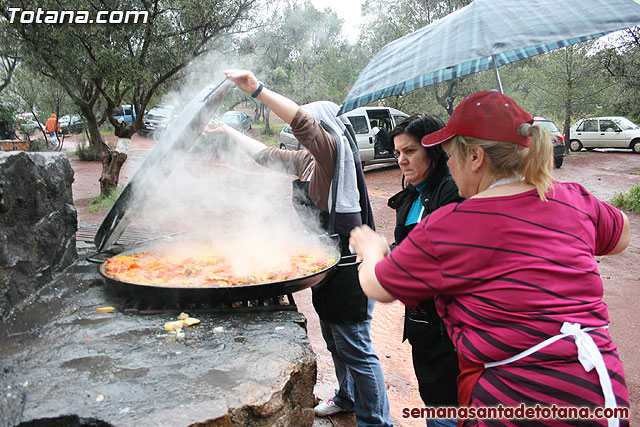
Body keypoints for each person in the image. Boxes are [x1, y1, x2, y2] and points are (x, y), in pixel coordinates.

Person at [349, 91, 631, 426]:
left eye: (451, 154)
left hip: (518, 401)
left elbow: (379, 286)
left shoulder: (453, 224)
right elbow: (621, 236)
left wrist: (370, 249)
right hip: (599, 390)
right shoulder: (572, 198)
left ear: (475, 157)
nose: (449, 164)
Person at [213, 70, 393, 427]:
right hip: (327, 263)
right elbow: (265, 155)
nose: (304, 136)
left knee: (355, 345)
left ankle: (376, 421)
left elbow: (303, 124)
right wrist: (227, 130)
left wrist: (257, 90)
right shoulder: (307, 160)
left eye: (313, 128)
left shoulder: (330, 153)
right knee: (334, 338)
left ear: (328, 130)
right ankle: (347, 396)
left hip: (351, 266)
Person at [388, 114, 462, 427]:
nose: (402, 161)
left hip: (451, 324)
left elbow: (435, 255)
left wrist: (388, 259)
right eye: (397, 153)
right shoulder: (412, 195)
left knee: (451, 405)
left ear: (434, 149)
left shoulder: (453, 190)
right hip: (421, 319)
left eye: (410, 151)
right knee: (432, 398)